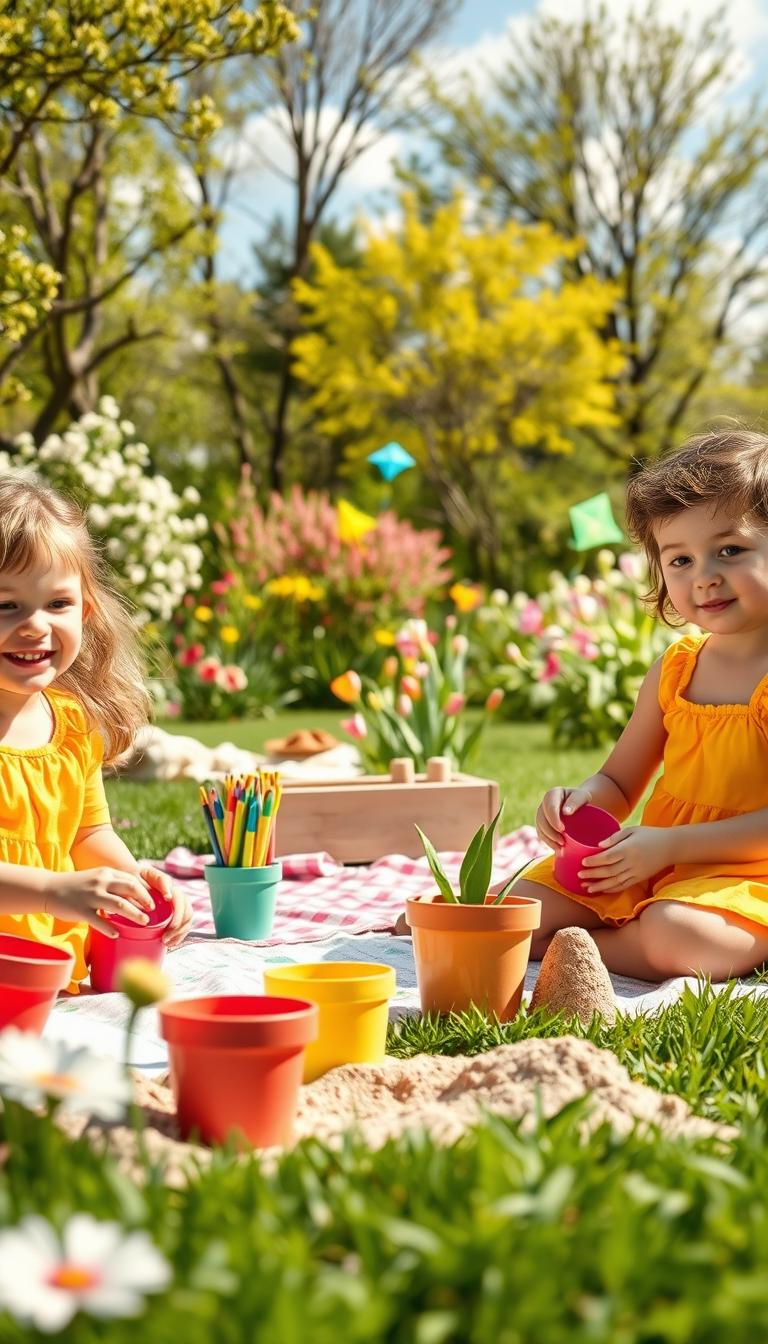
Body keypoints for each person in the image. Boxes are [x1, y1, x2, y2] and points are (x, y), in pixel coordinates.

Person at [500, 429, 768, 982]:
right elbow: (620, 785)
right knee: (515, 905)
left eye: (730, 550)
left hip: (750, 878)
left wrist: (666, 846)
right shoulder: (677, 669)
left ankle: (591, 947)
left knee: (680, 935)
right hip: (655, 859)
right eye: (680, 560)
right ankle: (597, 937)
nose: (705, 576)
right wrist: (578, 802)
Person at [0, 474, 192, 991]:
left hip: (52, 972)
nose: (35, 625)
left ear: (85, 611)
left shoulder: (71, 724)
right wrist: (51, 890)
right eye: (6, 605)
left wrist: (135, 882)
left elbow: (88, 833)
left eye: (57, 604)